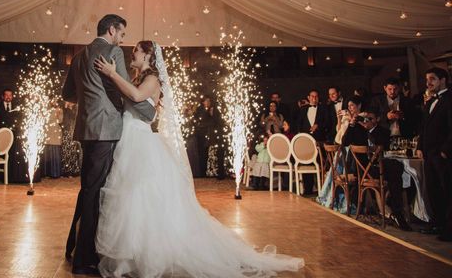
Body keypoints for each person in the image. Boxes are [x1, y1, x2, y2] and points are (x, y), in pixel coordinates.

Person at [94, 41, 303, 277]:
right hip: (130, 140)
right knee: (130, 197)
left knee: (141, 196)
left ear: (149, 56)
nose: (132, 53)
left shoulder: (151, 79)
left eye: (136, 51)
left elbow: (136, 95)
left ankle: (150, 255)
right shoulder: (138, 77)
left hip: (141, 142)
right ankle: (129, 256)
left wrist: (112, 74)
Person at [62, 14, 144, 275]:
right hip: (106, 128)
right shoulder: (112, 52)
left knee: (88, 188)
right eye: (121, 34)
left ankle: (74, 246)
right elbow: (123, 87)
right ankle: (84, 259)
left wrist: (90, 100)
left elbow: (67, 94)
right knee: (95, 192)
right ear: (111, 30)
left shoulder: (79, 55)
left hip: (86, 127)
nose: (122, 40)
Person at [340, 98, 412, 231]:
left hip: (378, 167)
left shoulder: (383, 132)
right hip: (363, 170)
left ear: (377, 119)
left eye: (370, 119)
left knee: (396, 168)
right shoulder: (356, 129)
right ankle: (393, 210)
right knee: (394, 170)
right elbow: (344, 142)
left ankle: (395, 211)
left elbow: (385, 149)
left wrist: (370, 133)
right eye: (365, 118)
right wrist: (352, 124)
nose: (366, 122)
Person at [417, 67, 452, 241]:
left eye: (432, 79)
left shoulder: (449, 100)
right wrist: (419, 146)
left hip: (442, 155)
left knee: (447, 191)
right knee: (433, 190)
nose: (428, 83)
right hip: (429, 154)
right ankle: (437, 223)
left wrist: (445, 151)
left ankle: (449, 228)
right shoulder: (430, 102)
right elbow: (424, 127)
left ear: (443, 80)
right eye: (427, 79)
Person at [0, 88, 27, 183]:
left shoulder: (17, 107)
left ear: (12, 97)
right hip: (1, 135)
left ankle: (11, 176)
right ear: (2, 96)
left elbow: (19, 120)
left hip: (13, 136)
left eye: (10, 95)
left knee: (13, 155)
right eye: (6, 95)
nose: (8, 97)